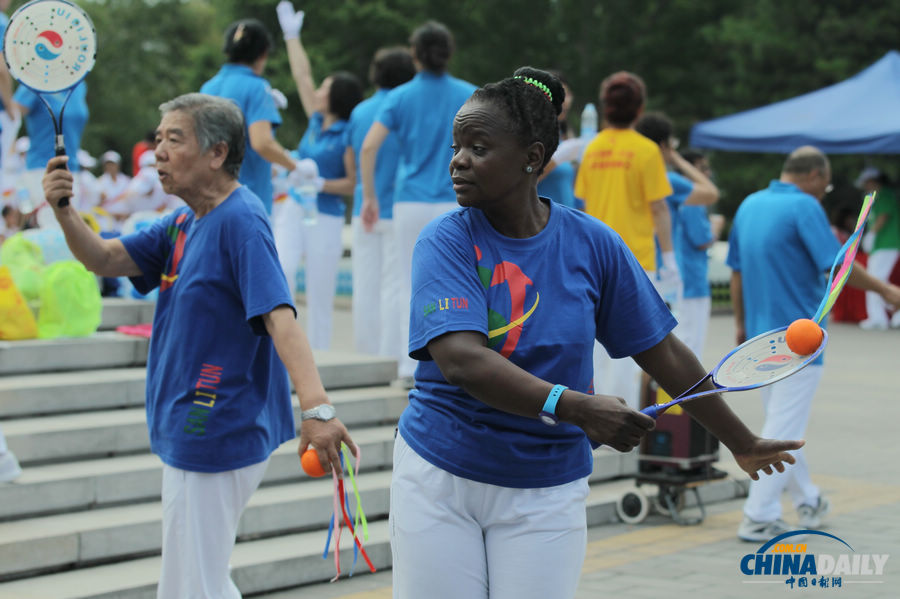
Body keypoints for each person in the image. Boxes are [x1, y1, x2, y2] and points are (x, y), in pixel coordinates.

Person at [391, 67, 805, 599]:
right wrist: (578, 408)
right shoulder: (445, 239)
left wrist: (741, 441)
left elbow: (663, 352)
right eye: (456, 146)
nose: (458, 160)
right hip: (441, 475)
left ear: (533, 158)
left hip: (547, 487)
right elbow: (461, 361)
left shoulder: (593, 244)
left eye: (478, 146)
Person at [41, 92, 356, 598]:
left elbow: (280, 317)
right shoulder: (186, 221)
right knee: (189, 579)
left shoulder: (240, 219)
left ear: (216, 153)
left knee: (196, 581)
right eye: (158, 138)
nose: (157, 152)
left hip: (216, 421)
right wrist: (63, 211)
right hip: (189, 423)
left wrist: (318, 410)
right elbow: (103, 257)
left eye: (174, 139)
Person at [727, 146, 900, 542]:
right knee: (782, 427)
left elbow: (736, 271)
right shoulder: (805, 206)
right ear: (816, 176)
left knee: (783, 424)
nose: (825, 191)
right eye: (827, 183)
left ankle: (809, 500)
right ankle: (758, 514)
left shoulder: (750, 204)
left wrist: (739, 324)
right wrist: (887, 291)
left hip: (759, 339)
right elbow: (838, 263)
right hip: (800, 341)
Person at [360, 20, 476, 382]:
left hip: (409, 202)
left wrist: (370, 196)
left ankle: (406, 365)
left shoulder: (399, 96)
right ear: (449, 53)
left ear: (414, 55)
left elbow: (368, 146)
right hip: (459, 198)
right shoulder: (471, 94)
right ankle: (462, 362)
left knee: (403, 282)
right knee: (464, 281)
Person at [574, 73, 677, 409]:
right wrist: (670, 259)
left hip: (592, 260)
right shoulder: (647, 151)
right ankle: (624, 418)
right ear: (640, 109)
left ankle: (597, 415)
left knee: (595, 346)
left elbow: (585, 205)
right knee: (636, 347)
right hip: (636, 259)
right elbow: (659, 208)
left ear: (605, 109)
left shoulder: (592, 149)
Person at [274, 1, 362, 350]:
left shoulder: (347, 133)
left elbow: (352, 183)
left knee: (320, 291)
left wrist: (320, 183)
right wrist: (291, 36)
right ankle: (278, 348)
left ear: (336, 97)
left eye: (325, 88)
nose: (319, 92)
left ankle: (321, 356)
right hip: (294, 208)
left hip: (324, 215)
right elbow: (302, 76)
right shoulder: (314, 120)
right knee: (280, 273)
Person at [344, 46, 415, 355]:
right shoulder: (407, 106)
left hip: (365, 207)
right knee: (397, 285)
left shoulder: (359, 112)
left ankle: (366, 352)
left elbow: (353, 161)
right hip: (398, 206)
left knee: (365, 285)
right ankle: (392, 355)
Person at [201, 18, 311, 215]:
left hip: (209, 197)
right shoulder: (257, 87)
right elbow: (262, 143)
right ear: (263, 53)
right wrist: (295, 166)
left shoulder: (208, 88)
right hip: (246, 199)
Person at [635, 114, 720, 359]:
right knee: (679, 347)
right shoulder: (665, 180)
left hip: (635, 265)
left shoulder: (628, 174)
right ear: (664, 146)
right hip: (666, 273)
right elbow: (711, 193)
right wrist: (678, 161)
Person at [13, 79, 88, 221]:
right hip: (42, 169)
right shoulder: (35, 79)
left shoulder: (79, 84)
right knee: (53, 229)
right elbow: (11, 118)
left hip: (73, 170)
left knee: (73, 231)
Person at [855, 167, 900, 330]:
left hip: (887, 244)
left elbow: (883, 216)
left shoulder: (885, 195)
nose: (865, 186)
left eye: (867, 182)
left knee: (876, 281)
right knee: (876, 280)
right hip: (881, 245)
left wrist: (872, 234)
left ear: (873, 181)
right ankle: (879, 316)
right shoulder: (878, 196)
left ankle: (880, 317)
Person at [536, 70, 579, 209]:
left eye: (567, 94)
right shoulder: (531, 137)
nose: (565, 101)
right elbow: (520, 182)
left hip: (568, 223)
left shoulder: (566, 136)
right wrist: (558, 157)